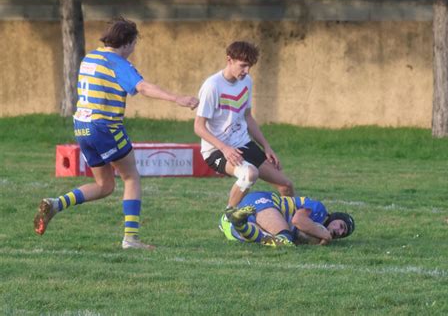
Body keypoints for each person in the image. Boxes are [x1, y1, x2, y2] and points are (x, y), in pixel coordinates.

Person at [33, 17, 199, 250]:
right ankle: (131, 239)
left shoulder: (90, 58)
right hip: (105, 127)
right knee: (131, 176)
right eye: (134, 44)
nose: (133, 50)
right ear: (128, 42)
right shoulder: (118, 63)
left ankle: (56, 204)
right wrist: (177, 99)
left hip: (82, 126)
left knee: (105, 185)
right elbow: (143, 87)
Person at [194, 41, 294, 211]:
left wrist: (267, 147)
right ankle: (228, 218)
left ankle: (292, 225)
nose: (246, 71)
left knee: (286, 186)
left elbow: (247, 116)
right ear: (229, 60)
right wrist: (225, 148)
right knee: (249, 174)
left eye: (249, 67)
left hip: (243, 144)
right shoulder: (212, 86)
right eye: (243, 66)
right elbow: (198, 127)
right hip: (216, 150)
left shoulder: (246, 81)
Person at [219, 191, 355, 247]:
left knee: (252, 237)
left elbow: (302, 234)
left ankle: (235, 223)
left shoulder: (317, 231)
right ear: (334, 217)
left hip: (254, 214)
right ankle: (237, 221)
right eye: (341, 226)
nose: (340, 232)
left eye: (343, 234)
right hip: (264, 202)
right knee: (284, 239)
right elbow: (298, 221)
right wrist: (325, 235)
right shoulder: (320, 210)